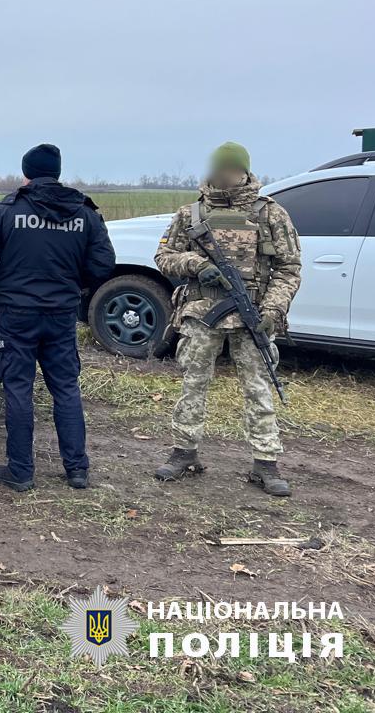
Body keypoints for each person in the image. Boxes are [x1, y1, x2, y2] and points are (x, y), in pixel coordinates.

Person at [153, 142, 302, 497]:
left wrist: (273, 310)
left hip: (253, 316)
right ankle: (183, 451)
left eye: (232, 170)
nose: (225, 177)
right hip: (202, 315)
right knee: (192, 385)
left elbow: (289, 268)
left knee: (259, 389)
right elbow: (164, 256)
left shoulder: (271, 214)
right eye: (221, 170)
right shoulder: (190, 215)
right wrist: (197, 265)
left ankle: (265, 462)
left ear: (244, 171)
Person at [0, 143, 115, 492]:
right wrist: (74, 287)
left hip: (16, 314)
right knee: (66, 387)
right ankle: (77, 469)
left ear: (26, 173)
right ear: (58, 172)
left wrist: (1, 284)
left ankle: (20, 470)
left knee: (18, 387)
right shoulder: (85, 214)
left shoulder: (6, 211)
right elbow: (103, 264)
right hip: (61, 314)